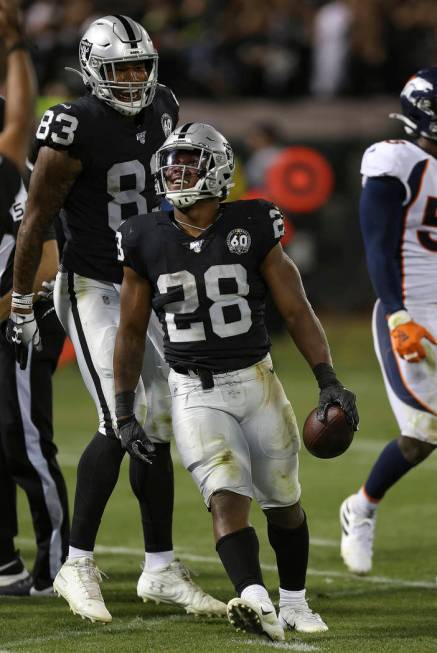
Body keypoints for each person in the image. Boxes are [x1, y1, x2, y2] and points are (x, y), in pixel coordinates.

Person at [7, 15, 225, 622]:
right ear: (92, 70)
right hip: (91, 287)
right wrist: (23, 301)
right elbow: (36, 220)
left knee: (154, 424)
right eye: (119, 69)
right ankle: (75, 565)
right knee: (120, 416)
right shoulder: (72, 125)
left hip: (144, 285)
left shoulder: (163, 106)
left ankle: (159, 568)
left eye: (139, 67)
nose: (132, 80)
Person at [113, 122, 359, 641]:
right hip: (193, 390)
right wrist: (122, 407)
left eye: (189, 162)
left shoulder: (253, 221)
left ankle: (293, 602)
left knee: (284, 500)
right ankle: (252, 597)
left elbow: (296, 309)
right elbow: (131, 330)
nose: (176, 172)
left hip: (257, 382)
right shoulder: (142, 236)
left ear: (219, 169)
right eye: (172, 162)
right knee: (226, 494)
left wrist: (328, 378)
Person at [340, 68, 437, 575]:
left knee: (422, 437)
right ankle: (362, 508)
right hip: (412, 310)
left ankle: (361, 506)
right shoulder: (395, 159)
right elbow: (377, 244)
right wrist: (398, 312)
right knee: (424, 430)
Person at [0, 0, 69, 596]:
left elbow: (46, 254)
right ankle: (6, 564)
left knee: (26, 446)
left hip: (20, 319)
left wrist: (14, 307)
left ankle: (60, 567)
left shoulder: (9, 167)